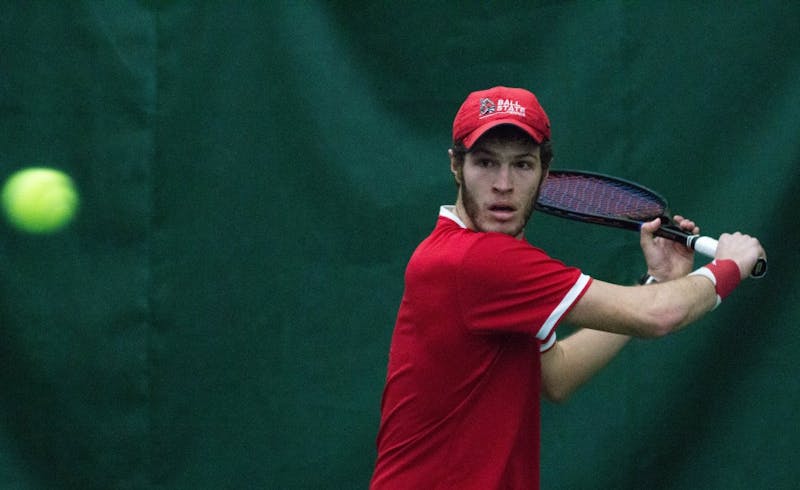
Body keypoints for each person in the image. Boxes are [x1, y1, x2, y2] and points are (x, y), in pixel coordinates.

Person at [369, 86, 766, 489]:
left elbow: (556, 376)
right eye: (485, 163)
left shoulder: (488, 267)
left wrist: (658, 280)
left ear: (545, 170)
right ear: (456, 165)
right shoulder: (476, 261)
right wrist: (730, 265)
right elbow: (658, 314)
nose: (503, 183)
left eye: (521, 165)